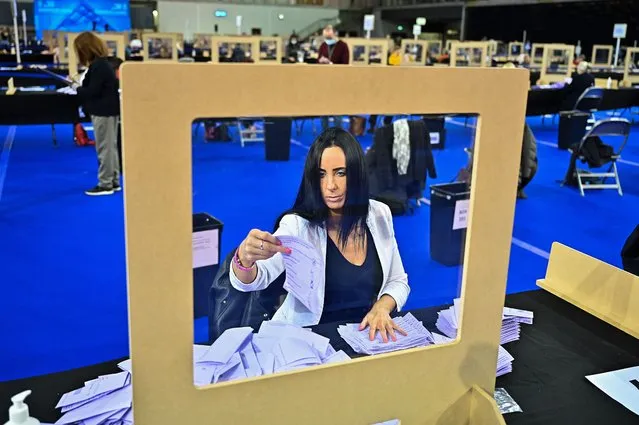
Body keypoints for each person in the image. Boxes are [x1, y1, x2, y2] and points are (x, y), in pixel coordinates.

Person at [230, 128, 411, 342]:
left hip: (363, 338)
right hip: (305, 342)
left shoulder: (379, 214)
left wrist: (382, 307)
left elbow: (398, 280)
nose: (330, 186)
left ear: (357, 174)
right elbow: (255, 279)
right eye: (321, 175)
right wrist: (244, 259)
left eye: (340, 173)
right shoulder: (297, 225)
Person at [73, 32, 121, 196]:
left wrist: (76, 88)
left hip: (103, 111)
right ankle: (112, 180)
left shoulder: (99, 66)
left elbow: (92, 91)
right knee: (110, 147)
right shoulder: (103, 65)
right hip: (108, 110)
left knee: (105, 148)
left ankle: (106, 183)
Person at [317, 25, 349, 131]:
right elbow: (318, 61)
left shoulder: (343, 46)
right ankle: (325, 133)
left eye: (328, 32)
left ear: (334, 33)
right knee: (323, 112)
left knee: (337, 112)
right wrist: (321, 62)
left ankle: (338, 135)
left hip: (337, 83)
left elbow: (345, 64)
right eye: (325, 32)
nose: (326, 34)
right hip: (323, 82)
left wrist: (331, 63)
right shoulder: (323, 46)